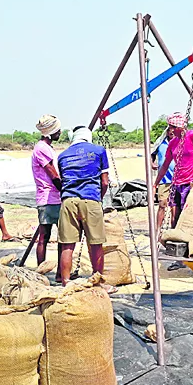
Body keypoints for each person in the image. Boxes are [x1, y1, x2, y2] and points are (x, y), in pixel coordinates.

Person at [57, 125, 116, 293]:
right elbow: (104, 181)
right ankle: (98, 281)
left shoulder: (62, 156)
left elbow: (64, 180)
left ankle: (66, 282)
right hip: (90, 199)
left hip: (68, 201)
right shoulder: (98, 151)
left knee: (67, 245)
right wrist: (98, 197)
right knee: (95, 243)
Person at [153, 112, 193, 226]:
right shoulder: (173, 142)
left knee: (188, 216)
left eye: (173, 127)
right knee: (175, 217)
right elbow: (165, 165)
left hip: (191, 182)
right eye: (170, 127)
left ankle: (190, 240)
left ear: (181, 127)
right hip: (176, 183)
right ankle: (175, 239)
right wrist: (155, 184)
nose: (171, 130)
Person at [31, 115, 63, 267]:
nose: (60, 132)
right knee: (46, 236)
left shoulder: (46, 147)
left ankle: (57, 272)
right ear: (50, 132)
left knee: (49, 235)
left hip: (51, 198)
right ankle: (43, 270)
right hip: (49, 199)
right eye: (57, 130)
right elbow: (53, 175)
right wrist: (65, 190)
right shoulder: (42, 149)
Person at [151, 128, 176, 233]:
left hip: (177, 179)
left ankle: (173, 230)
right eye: (169, 130)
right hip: (164, 179)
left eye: (173, 130)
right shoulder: (161, 142)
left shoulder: (180, 142)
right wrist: (152, 163)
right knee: (162, 204)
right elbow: (152, 154)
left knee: (174, 207)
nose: (171, 132)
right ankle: (158, 229)